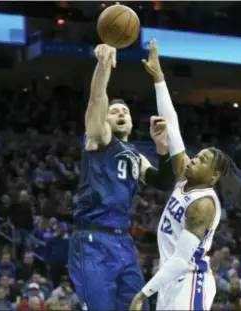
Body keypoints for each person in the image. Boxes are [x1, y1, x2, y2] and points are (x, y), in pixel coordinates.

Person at [130, 40, 239, 311]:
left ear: (214, 175)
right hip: (170, 281)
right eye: (196, 154)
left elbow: (181, 259)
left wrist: (143, 293)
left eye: (201, 160)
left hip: (190, 280)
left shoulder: (203, 204)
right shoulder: (185, 176)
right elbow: (172, 123)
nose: (192, 159)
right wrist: (158, 78)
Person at [68, 44, 176, 311]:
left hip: (123, 243)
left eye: (125, 112)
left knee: (138, 307)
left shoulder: (136, 157)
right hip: (92, 241)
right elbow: (96, 100)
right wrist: (103, 65)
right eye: (115, 111)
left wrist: (163, 149)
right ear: (104, 121)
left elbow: (164, 182)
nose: (121, 114)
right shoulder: (100, 139)